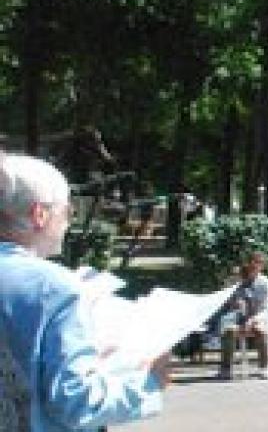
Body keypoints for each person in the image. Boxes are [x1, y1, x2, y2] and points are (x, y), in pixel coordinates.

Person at [0, 153, 170, 432]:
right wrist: (147, 382)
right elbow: (76, 403)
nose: (69, 221)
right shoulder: (53, 287)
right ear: (39, 215)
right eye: (67, 211)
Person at [220, 252, 268, 380]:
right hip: (238, 318)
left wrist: (253, 319)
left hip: (258, 318)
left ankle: (264, 368)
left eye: (259, 264)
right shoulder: (236, 281)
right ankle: (226, 369)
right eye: (252, 264)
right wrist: (235, 303)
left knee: (260, 330)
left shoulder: (265, 283)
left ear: (262, 267)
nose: (255, 267)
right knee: (228, 331)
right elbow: (225, 302)